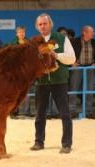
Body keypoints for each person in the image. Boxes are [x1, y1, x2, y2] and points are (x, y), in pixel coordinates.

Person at [30, 13, 76, 154]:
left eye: (45, 23)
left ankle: (66, 144)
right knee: (39, 114)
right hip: (41, 82)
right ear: (37, 27)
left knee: (64, 113)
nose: (43, 26)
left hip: (59, 81)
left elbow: (72, 59)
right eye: (40, 24)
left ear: (51, 24)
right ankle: (39, 142)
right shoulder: (34, 42)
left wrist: (57, 56)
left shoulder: (61, 39)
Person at [69, 25, 95, 119]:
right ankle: (71, 111)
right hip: (78, 67)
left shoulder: (94, 42)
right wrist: (72, 62)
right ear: (84, 32)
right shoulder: (74, 41)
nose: (93, 34)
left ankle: (88, 111)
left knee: (89, 89)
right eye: (92, 32)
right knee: (73, 89)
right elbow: (69, 53)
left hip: (90, 68)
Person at [7, 26, 32, 118]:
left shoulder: (29, 43)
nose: (21, 34)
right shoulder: (12, 44)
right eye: (20, 32)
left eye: (23, 32)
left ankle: (27, 111)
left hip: (26, 71)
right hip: (16, 71)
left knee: (26, 92)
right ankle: (14, 112)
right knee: (15, 93)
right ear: (16, 34)